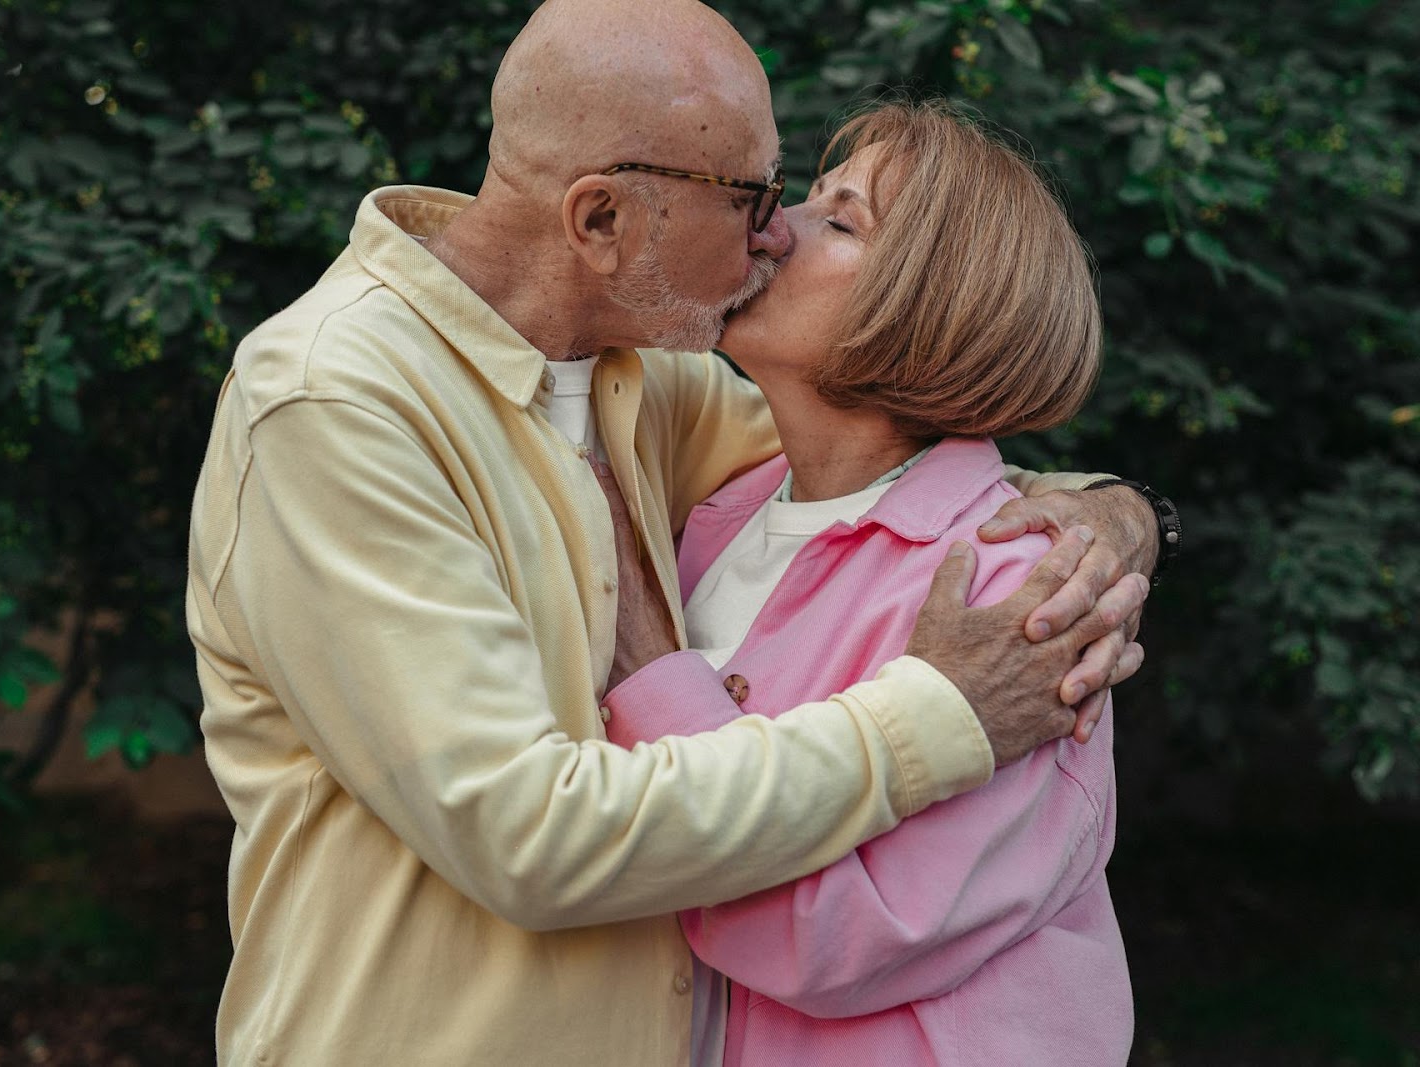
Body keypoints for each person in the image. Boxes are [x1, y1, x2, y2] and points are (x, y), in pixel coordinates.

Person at [184, 1, 1163, 1063]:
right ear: (598, 219)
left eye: (814, 210)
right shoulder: (336, 404)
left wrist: (1124, 514)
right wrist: (934, 715)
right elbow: (530, 836)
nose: (769, 231)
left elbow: (910, 459)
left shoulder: (644, 382)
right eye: (754, 195)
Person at [600, 100, 1134, 1067]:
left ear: (935, 307)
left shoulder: (1015, 585)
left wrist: (649, 667)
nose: (768, 226)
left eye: (839, 221)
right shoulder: (719, 517)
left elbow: (833, 933)